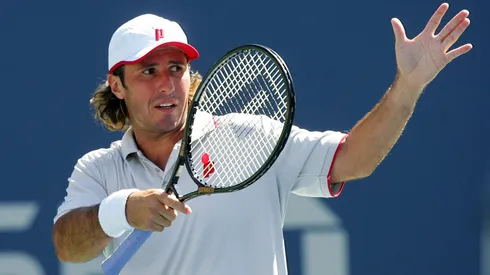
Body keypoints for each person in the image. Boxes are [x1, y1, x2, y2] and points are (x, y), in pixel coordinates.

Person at [52, 3, 472, 274]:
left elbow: (353, 159)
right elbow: (68, 246)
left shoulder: (251, 136)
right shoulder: (98, 170)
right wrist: (122, 210)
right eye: (148, 71)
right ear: (117, 85)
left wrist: (408, 86)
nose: (167, 84)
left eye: (176, 68)